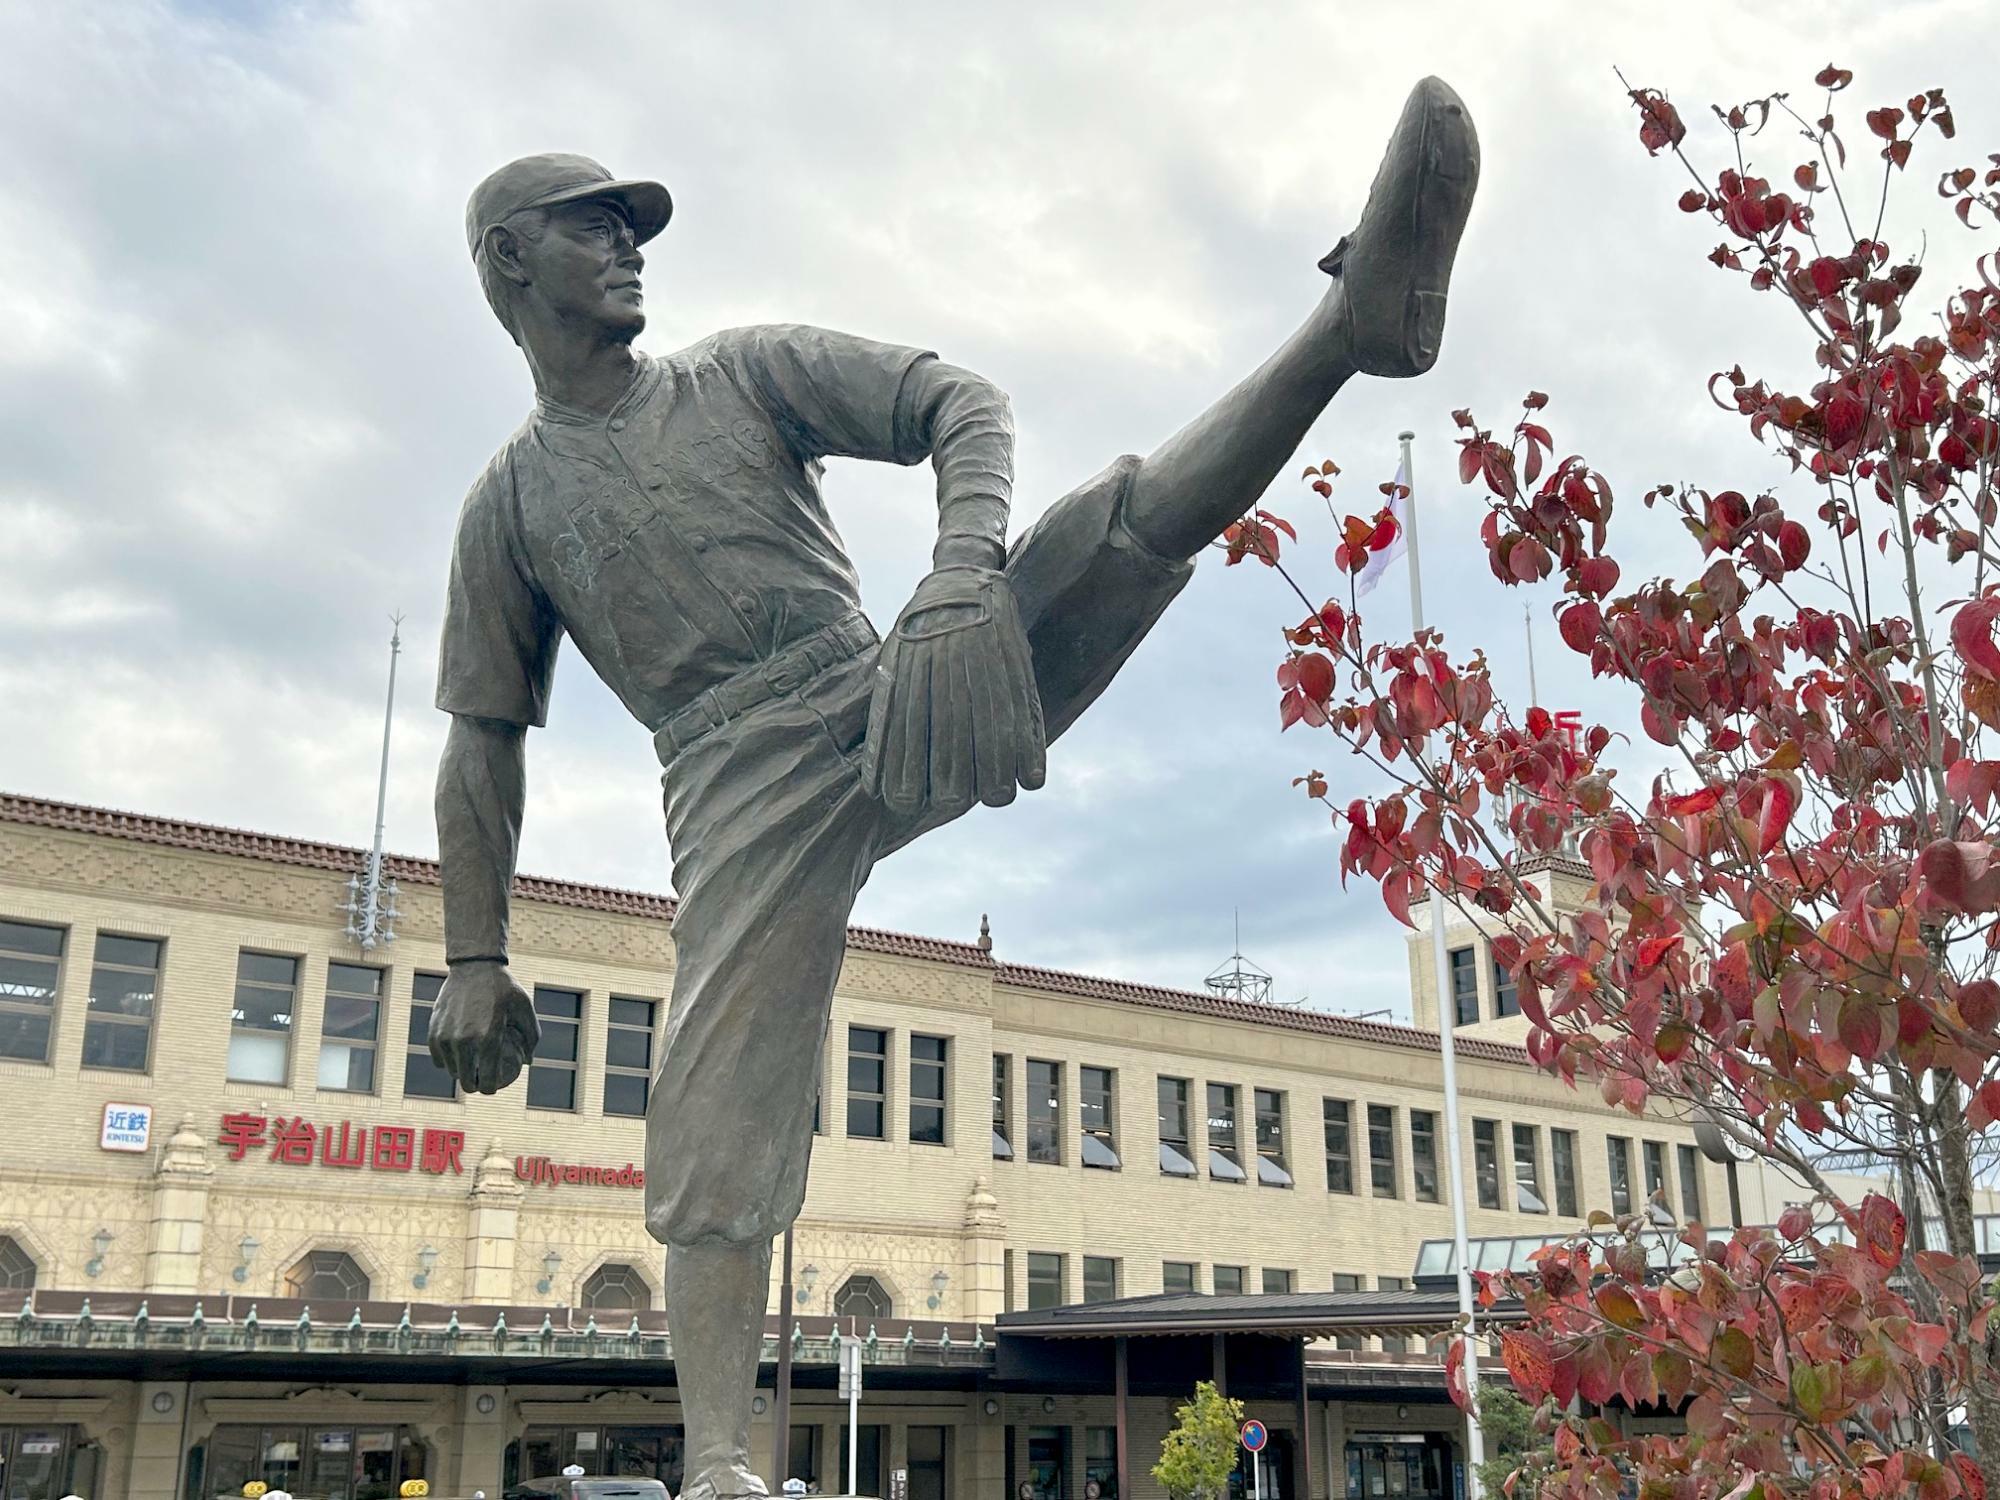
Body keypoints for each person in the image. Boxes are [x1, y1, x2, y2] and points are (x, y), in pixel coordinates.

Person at [430, 78, 1478, 1500]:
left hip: (880, 682)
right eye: (592, 226)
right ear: (510, 259)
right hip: (733, 784)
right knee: (712, 1110)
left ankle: (1347, 331)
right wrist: (474, 957)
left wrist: (962, 571)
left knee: (1096, 539)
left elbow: (954, 402)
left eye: (635, 225)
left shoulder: (741, 371)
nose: (629, 246)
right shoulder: (510, 505)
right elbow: (484, 739)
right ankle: (722, 1463)